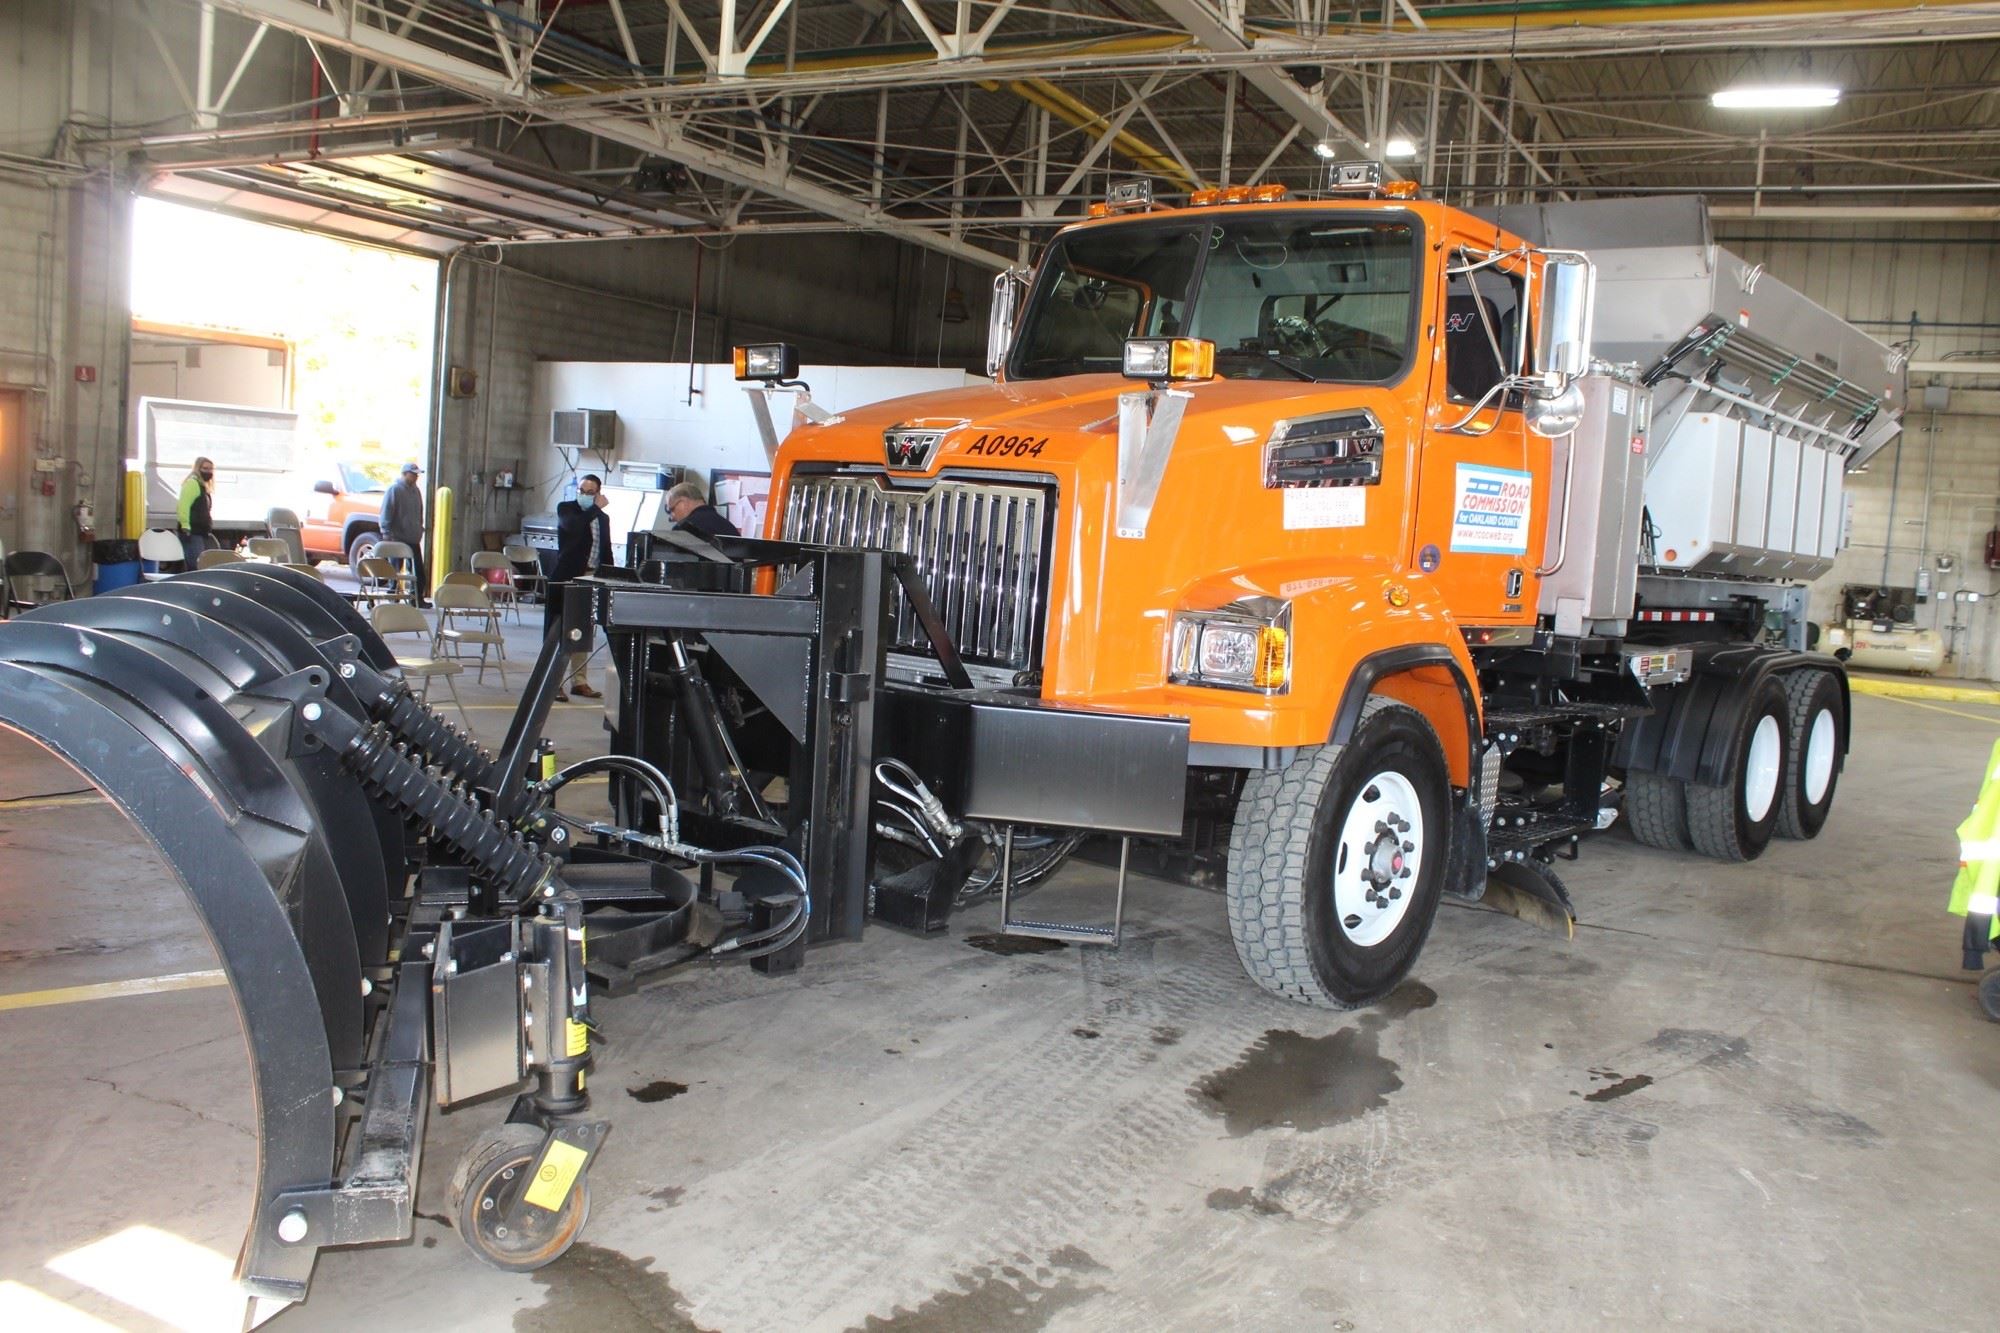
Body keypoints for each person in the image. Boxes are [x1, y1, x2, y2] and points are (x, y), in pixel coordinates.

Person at [545, 474, 613, 701]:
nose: (584, 495)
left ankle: (579, 681)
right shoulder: (567, 509)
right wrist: (593, 509)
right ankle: (553, 681)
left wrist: (609, 577)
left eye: (590, 492)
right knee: (559, 632)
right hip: (565, 579)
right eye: (581, 490)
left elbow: (606, 550)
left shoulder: (603, 519)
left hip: (590, 578)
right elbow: (573, 528)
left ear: (599, 493)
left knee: (582, 632)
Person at [379, 461, 428, 606]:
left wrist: (420, 528)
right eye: (413, 474)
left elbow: (419, 512)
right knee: (395, 570)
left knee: (418, 570)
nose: (415, 477)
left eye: (416, 475)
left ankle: (417, 598)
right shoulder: (394, 489)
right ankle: (393, 595)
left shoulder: (416, 491)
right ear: (404, 474)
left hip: (413, 537)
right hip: (397, 537)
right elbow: (386, 511)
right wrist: (386, 532)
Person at [665, 480, 740, 540]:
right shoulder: (728, 526)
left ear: (683, 503)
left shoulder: (683, 529)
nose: (672, 518)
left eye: (671, 510)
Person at [176, 456, 216, 567]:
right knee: (196, 564)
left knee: (202, 563)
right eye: (205, 468)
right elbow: (183, 505)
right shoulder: (192, 484)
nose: (209, 472)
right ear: (197, 468)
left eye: (211, 469)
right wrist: (185, 526)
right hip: (192, 532)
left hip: (200, 532)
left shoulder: (201, 486)